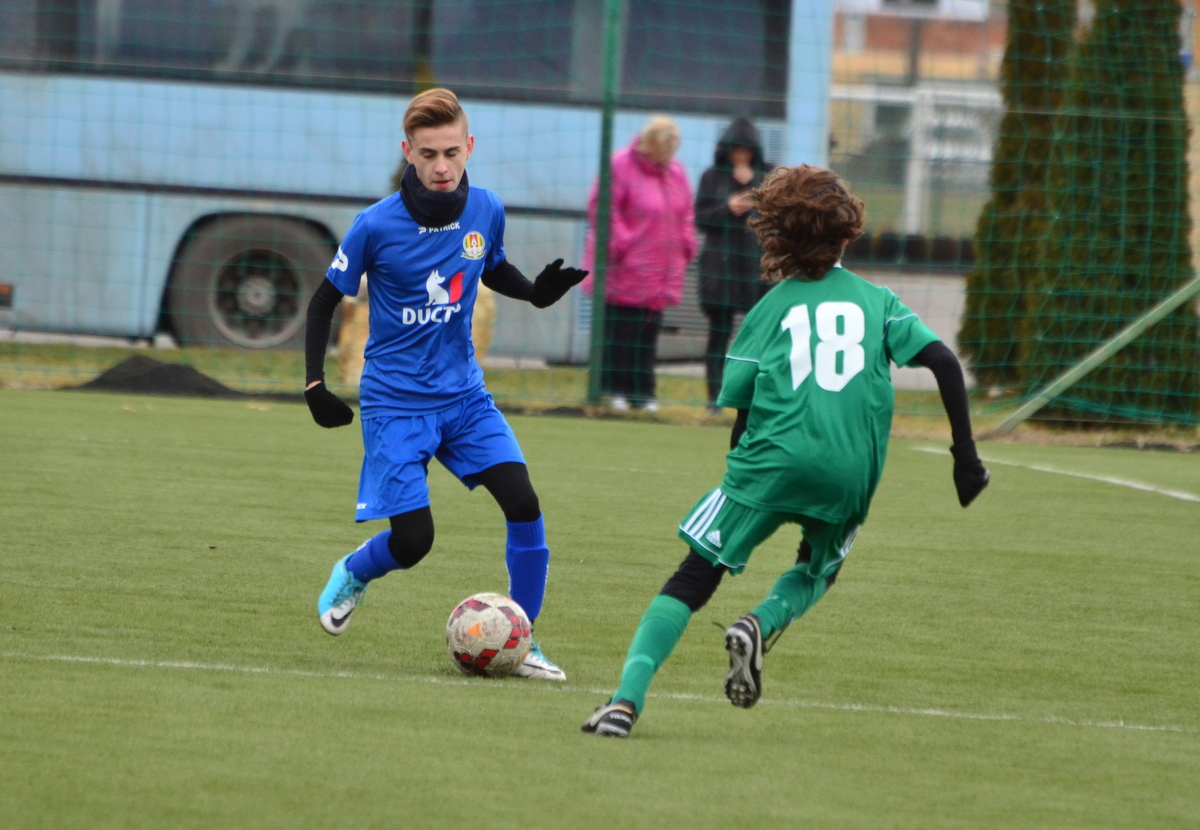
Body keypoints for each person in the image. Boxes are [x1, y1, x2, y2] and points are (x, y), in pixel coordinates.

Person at [582, 165, 990, 736]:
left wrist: (739, 485)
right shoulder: (879, 302)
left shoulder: (768, 312)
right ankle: (761, 621)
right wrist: (964, 459)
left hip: (769, 464)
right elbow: (945, 363)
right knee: (818, 568)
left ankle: (624, 703)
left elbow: (743, 413)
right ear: (847, 232)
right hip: (849, 473)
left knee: (694, 576)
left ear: (774, 236)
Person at [303, 88, 587, 681]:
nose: (440, 166)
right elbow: (325, 299)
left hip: (464, 398)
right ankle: (355, 571)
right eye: (427, 153)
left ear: (469, 148)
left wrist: (535, 290)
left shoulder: (485, 208)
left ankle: (523, 639)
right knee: (414, 541)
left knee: (524, 502)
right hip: (396, 404)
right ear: (407, 152)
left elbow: (491, 266)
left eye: (451, 152)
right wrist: (313, 385)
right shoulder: (374, 225)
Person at [582, 116, 698, 412]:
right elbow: (604, 207)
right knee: (622, 330)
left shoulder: (676, 172)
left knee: (648, 333)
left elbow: (685, 212)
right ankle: (615, 389)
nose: (666, 158)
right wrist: (620, 244)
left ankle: (644, 392)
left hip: (662, 267)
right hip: (626, 266)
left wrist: (687, 244)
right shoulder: (620, 165)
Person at [694, 117, 772, 414]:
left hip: (756, 269)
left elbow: (779, 215)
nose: (741, 156)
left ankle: (756, 397)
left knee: (759, 337)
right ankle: (714, 397)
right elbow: (700, 218)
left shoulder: (769, 176)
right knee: (719, 332)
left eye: (747, 151)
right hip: (720, 269)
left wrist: (754, 195)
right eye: (735, 150)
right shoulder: (711, 177)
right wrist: (727, 208)